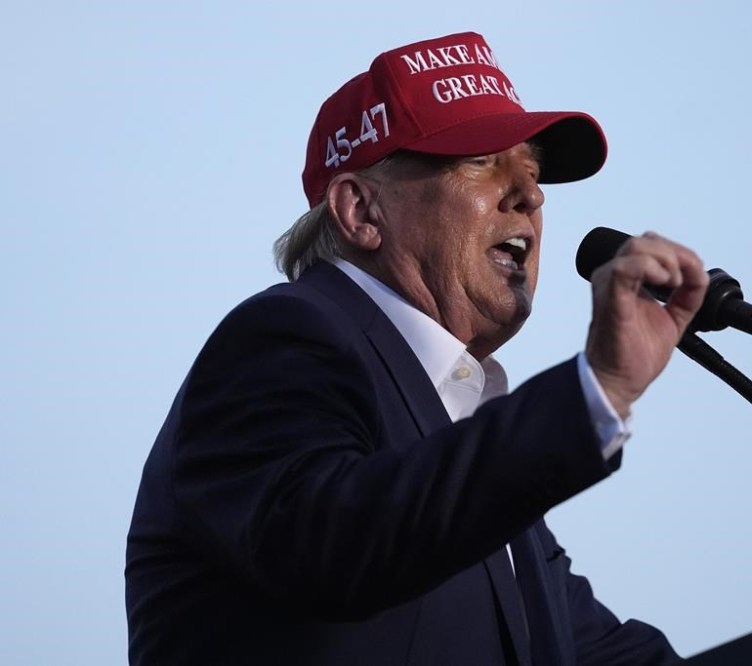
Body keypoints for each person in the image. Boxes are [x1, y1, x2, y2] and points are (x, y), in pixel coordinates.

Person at [125, 31, 708, 665]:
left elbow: (592, 652)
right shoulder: (284, 338)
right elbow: (333, 542)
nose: (531, 196)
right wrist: (594, 389)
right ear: (360, 211)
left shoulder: (464, 446)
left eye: (532, 172)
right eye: (482, 162)